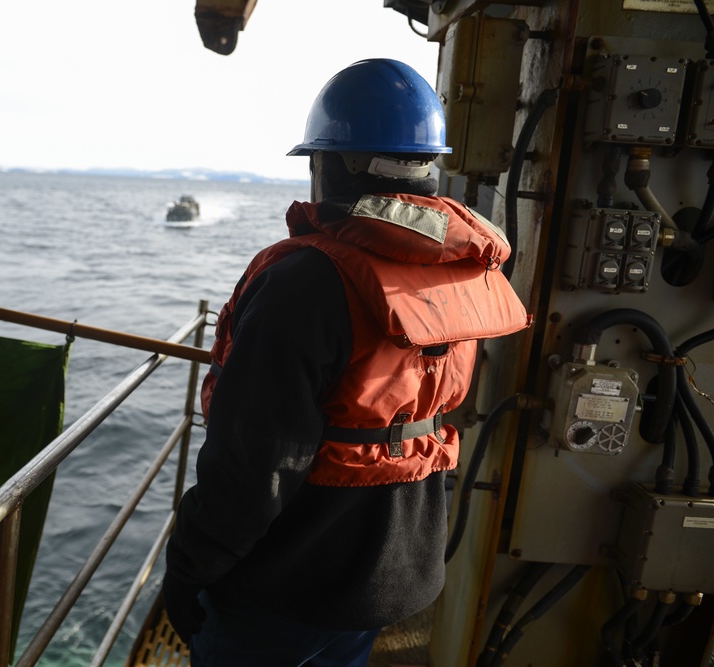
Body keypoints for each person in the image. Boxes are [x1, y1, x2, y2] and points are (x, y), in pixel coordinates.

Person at [161, 58, 530, 666]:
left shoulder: (305, 281)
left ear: (327, 164)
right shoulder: (461, 268)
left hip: (290, 585)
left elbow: (254, 466)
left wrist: (187, 569)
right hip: (392, 574)